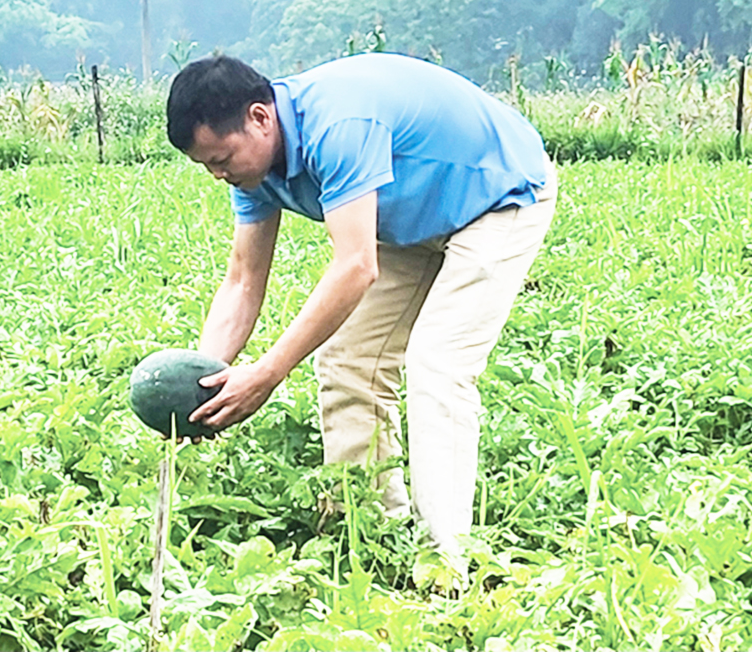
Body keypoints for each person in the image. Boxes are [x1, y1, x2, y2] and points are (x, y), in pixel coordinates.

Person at [164, 53, 557, 573]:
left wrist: (268, 373)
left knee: (437, 364)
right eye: (207, 166)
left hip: (498, 197)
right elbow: (242, 283)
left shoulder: (338, 124)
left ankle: (447, 561)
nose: (218, 175)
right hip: (410, 218)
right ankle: (368, 533)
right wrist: (200, 387)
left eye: (222, 158)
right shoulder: (253, 173)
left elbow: (356, 266)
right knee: (348, 361)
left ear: (259, 117)